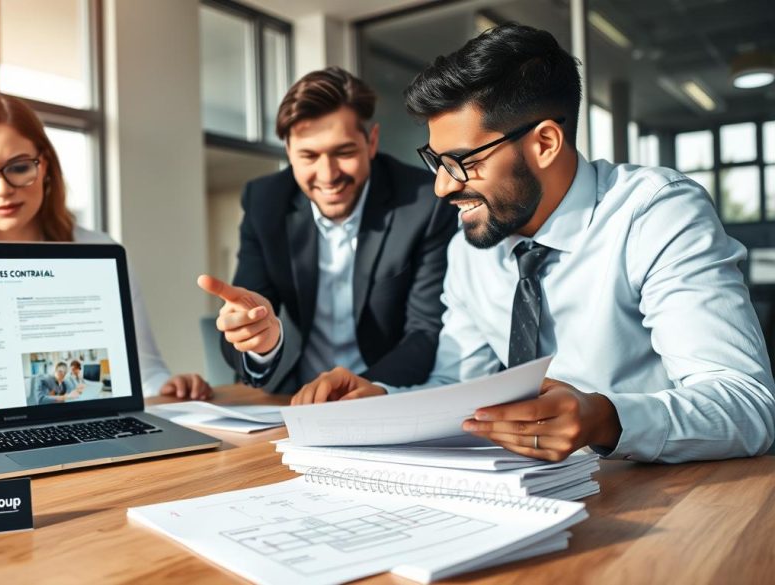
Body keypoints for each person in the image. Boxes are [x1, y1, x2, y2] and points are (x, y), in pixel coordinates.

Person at [290, 24, 775, 464]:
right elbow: (455, 386)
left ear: (545, 143)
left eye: (462, 161)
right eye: (435, 161)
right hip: (536, 497)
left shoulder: (655, 214)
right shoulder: (470, 248)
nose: (442, 186)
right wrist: (381, 397)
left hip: (664, 497)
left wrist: (606, 419)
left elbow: (748, 405)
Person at [0, 88, 211, 399]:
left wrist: (170, 387)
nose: (2, 190)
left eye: (19, 167)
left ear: (44, 165)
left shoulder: (98, 252)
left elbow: (144, 372)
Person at [199, 67, 457, 394]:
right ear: (289, 152)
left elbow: (426, 330)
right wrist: (259, 341)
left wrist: (367, 390)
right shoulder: (265, 202)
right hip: (290, 396)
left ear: (372, 141)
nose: (328, 174)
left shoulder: (424, 202)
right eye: (308, 156)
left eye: (344, 152)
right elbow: (247, 307)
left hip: (383, 392)